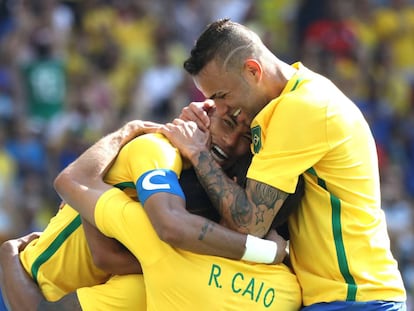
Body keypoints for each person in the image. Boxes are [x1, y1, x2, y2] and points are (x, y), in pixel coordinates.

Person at [155, 18, 407, 310]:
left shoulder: (300, 108)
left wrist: (197, 152)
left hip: (356, 298)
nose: (222, 108)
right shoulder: (289, 101)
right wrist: (207, 126)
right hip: (338, 298)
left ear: (253, 70)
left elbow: (249, 223)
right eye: (212, 101)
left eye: (222, 97)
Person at [0, 110, 303, 310]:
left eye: (242, 139)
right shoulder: (288, 288)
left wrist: (125, 132)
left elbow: (104, 245)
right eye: (226, 123)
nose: (229, 140)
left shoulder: (175, 246)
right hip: (30, 283)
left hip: (29, 289)